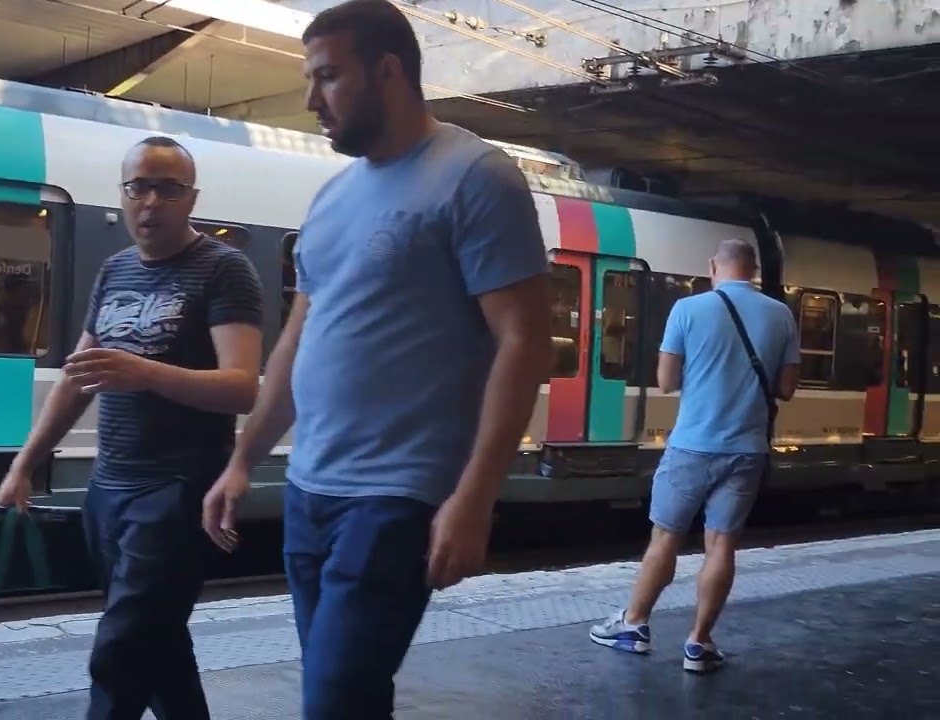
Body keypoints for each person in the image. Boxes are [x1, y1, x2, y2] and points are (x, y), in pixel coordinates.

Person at [200, 1, 552, 717]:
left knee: (334, 700)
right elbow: (298, 339)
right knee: (346, 697)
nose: (311, 99)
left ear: (388, 71)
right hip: (309, 490)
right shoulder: (332, 198)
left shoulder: (476, 177)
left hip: (397, 495)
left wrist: (474, 497)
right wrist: (244, 459)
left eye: (328, 76)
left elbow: (524, 341)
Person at [0, 135, 264, 720]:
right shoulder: (115, 270)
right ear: (122, 194)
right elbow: (78, 378)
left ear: (192, 199)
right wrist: (25, 463)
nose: (151, 202)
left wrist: (145, 373)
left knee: (121, 650)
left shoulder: (224, 270)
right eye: (139, 187)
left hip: (179, 489)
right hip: (109, 489)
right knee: (158, 645)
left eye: (168, 189)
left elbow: (243, 387)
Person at [588, 238, 799, 673]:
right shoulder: (781, 315)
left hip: (691, 446)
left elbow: (666, 381)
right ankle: (699, 643)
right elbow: (786, 388)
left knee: (665, 537)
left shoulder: (687, 309)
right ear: (753, 270)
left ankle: (634, 625)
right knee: (721, 544)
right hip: (746, 450)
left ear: (713, 266)